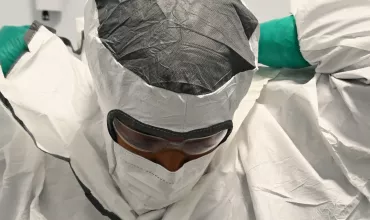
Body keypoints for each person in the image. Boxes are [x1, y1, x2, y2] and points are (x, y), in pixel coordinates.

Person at [1, 0, 370, 219]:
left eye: (199, 141)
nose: (172, 165)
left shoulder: (286, 136)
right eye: (144, 138)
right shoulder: (38, 136)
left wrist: (281, 42)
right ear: (104, 93)